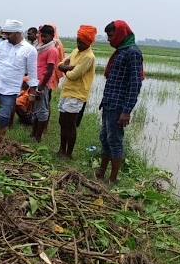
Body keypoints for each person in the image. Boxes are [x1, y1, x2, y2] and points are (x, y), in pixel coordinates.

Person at [96, 20, 144, 184]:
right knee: (104, 139)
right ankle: (101, 172)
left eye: (111, 36)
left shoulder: (133, 53)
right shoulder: (120, 52)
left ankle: (113, 179)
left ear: (120, 35)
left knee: (115, 141)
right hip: (109, 103)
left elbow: (135, 84)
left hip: (119, 106)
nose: (109, 40)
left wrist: (126, 111)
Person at [57, 25, 97, 159]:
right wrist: (69, 67)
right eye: (78, 41)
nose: (79, 44)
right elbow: (60, 64)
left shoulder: (88, 57)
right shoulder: (76, 51)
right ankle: (61, 149)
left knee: (70, 124)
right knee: (62, 121)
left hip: (77, 94)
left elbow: (74, 75)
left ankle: (68, 153)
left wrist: (66, 68)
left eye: (82, 42)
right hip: (67, 91)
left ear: (89, 42)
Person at [30, 25, 59, 142]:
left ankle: (38, 137)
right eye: (42, 36)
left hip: (43, 83)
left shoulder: (52, 50)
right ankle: (34, 132)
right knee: (36, 109)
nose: (43, 38)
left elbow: (50, 70)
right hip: (37, 81)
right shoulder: (42, 47)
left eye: (46, 36)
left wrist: (41, 88)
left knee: (42, 110)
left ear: (52, 36)